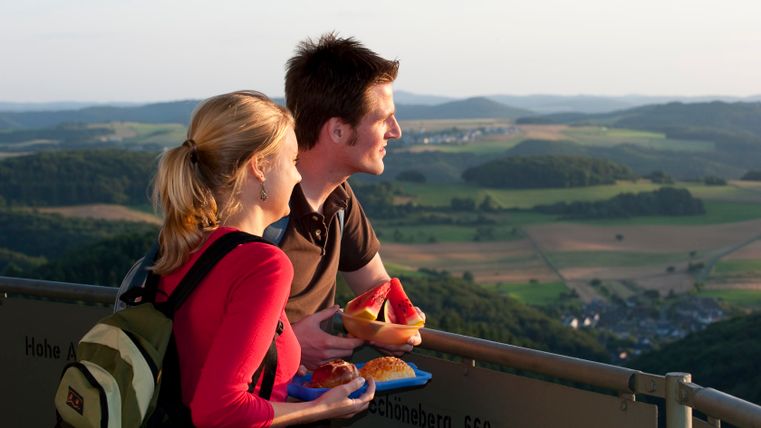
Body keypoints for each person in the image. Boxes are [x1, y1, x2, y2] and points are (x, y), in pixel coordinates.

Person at [151, 90, 375, 427]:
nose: (298, 176)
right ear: (259, 167)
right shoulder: (262, 264)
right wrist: (327, 408)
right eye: (292, 162)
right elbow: (218, 410)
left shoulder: (185, 245)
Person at [279, 34, 423, 370]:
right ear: (338, 131)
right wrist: (285, 344)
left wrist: (396, 324)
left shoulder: (340, 199)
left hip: (311, 404)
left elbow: (376, 286)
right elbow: (206, 321)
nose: (396, 131)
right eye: (382, 118)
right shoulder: (260, 203)